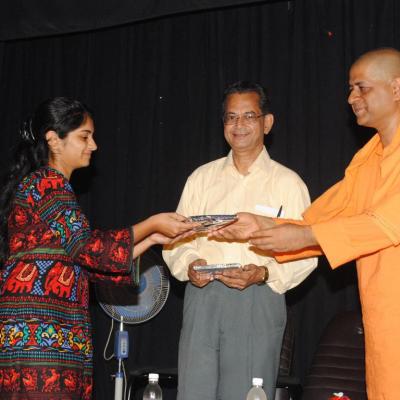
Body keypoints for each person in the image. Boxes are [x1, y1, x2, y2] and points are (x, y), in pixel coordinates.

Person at [211, 48, 400, 400]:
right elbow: (328, 215)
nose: (351, 98)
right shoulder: (369, 156)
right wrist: (262, 226)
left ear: (396, 88)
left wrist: (302, 234)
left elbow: (386, 224)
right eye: (350, 89)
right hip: (383, 315)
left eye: (361, 88)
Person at [0, 97, 197, 399]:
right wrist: (153, 223)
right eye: (84, 136)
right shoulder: (45, 183)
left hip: (56, 334)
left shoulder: (54, 188)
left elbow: (90, 261)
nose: (93, 145)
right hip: (37, 337)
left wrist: (153, 240)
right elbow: (88, 247)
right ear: (53, 140)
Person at [162, 81, 317, 400]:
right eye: (231, 117)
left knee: (247, 393)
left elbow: (307, 251)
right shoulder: (202, 178)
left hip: (257, 299)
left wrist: (263, 273)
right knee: (194, 391)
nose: (239, 125)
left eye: (249, 116)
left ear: (267, 122)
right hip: (202, 298)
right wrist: (191, 264)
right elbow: (175, 237)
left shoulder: (287, 184)